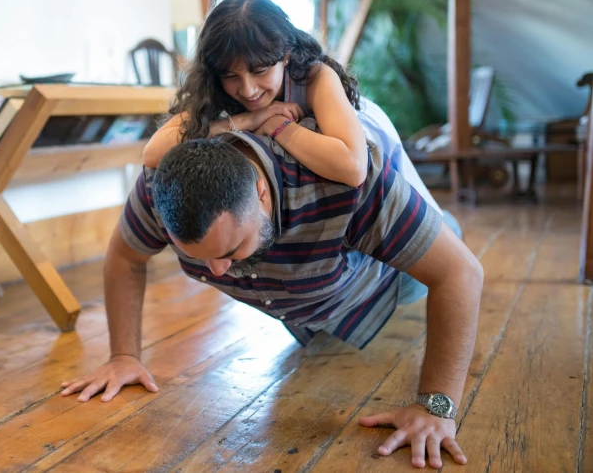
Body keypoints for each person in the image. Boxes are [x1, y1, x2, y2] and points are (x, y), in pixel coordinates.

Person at [60, 118, 483, 469]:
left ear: (261, 195)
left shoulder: (342, 181)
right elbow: (125, 257)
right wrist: (123, 356)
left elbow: (461, 274)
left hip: (387, 281)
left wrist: (436, 409)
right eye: (195, 257)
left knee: (446, 241)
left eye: (229, 251)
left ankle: (439, 221)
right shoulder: (162, 186)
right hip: (305, 303)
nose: (217, 271)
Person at [142, 0, 439, 214]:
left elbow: (353, 166)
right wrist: (248, 120)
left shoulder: (313, 77)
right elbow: (153, 152)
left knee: (436, 227)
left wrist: (278, 126)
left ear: (285, 55)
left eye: (260, 71)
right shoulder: (216, 88)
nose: (247, 90)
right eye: (230, 75)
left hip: (395, 181)